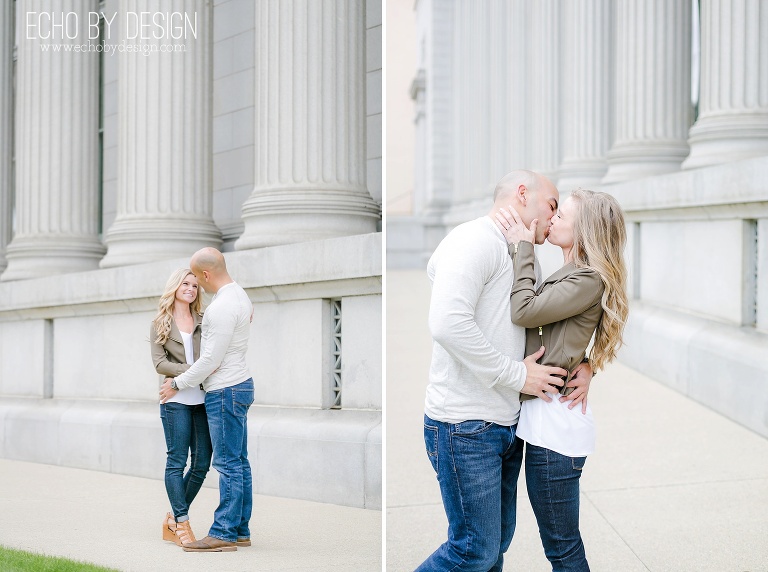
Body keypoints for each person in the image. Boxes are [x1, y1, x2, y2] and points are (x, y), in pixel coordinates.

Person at [416, 170, 593, 572]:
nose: (554, 217)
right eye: (552, 205)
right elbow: (447, 323)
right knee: (473, 551)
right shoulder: (473, 240)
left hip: (505, 423)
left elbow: (548, 323)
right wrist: (518, 376)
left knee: (494, 548)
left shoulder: (515, 247)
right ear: (522, 193)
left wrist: (586, 364)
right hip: (465, 425)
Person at [495, 189, 629, 571]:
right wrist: (586, 363)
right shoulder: (570, 273)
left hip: (556, 430)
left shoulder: (587, 279)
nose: (551, 220)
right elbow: (566, 333)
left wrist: (523, 249)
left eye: (561, 217)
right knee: (556, 545)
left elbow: (524, 311)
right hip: (539, 422)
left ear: (583, 230)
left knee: (563, 549)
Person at [159, 247, 255, 553]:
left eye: (197, 280)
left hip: (225, 390)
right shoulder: (240, 296)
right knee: (239, 462)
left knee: (227, 464)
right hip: (239, 385)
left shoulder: (220, 307)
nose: (196, 287)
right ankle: (239, 529)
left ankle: (224, 532)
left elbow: (211, 359)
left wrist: (178, 382)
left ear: (205, 275)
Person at [151, 268, 212, 547]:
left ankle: (173, 518)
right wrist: (193, 371)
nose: (191, 288)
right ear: (175, 286)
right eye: (185, 283)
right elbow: (160, 364)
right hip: (175, 401)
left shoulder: (204, 319)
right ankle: (183, 523)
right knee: (177, 461)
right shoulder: (160, 322)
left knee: (201, 463)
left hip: (201, 399)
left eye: (195, 285)